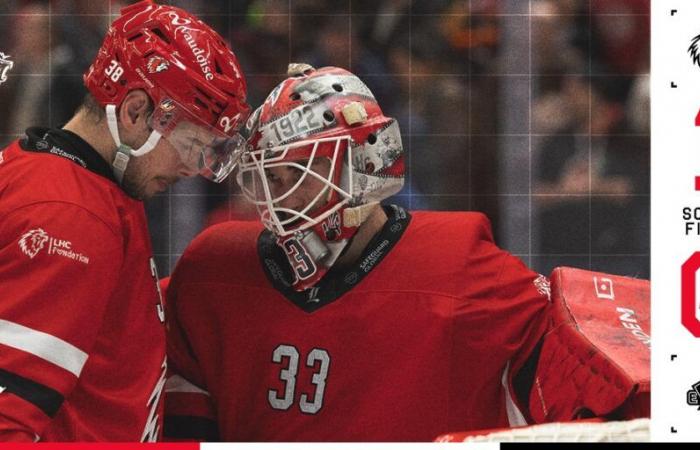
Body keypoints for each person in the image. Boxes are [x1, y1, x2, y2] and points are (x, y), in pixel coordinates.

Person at [164, 65, 550, 441]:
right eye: (270, 178)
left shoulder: (461, 268)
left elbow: (581, 364)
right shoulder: (213, 272)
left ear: (364, 163)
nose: (280, 201)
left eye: (299, 174)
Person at [0, 0, 249, 441]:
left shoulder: (93, 185)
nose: (194, 168)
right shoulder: (70, 220)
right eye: (192, 143)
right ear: (134, 112)